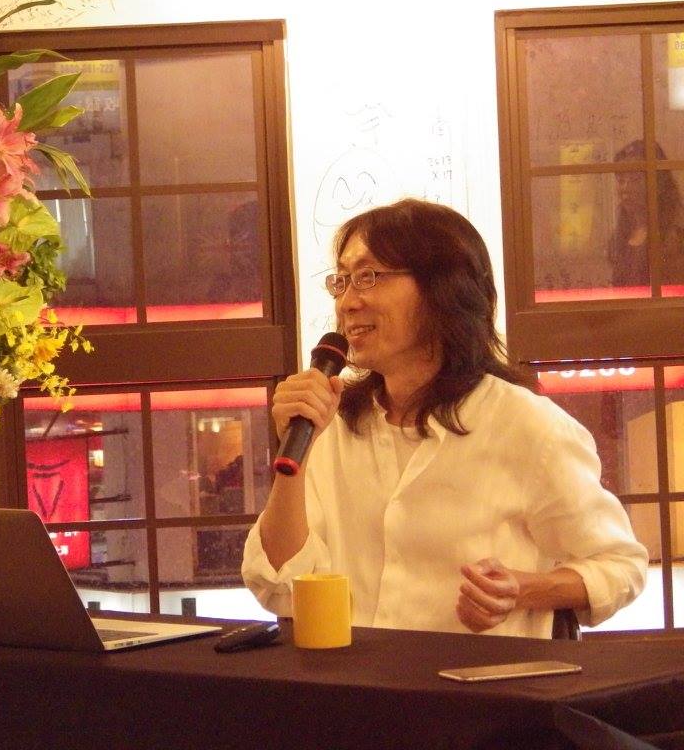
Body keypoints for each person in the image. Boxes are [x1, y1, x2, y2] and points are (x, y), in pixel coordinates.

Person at [241, 198, 647, 637]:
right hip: (353, 678)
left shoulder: (527, 425)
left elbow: (619, 565)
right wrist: (294, 456)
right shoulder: (331, 425)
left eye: (368, 276)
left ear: (443, 290)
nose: (348, 302)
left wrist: (523, 590)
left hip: (476, 679)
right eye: (341, 281)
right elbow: (279, 585)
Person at [608, 139, 684, 288]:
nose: (625, 188)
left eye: (635, 179)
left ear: (657, 182)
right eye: (620, 180)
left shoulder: (676, 233)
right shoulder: (622, 233)